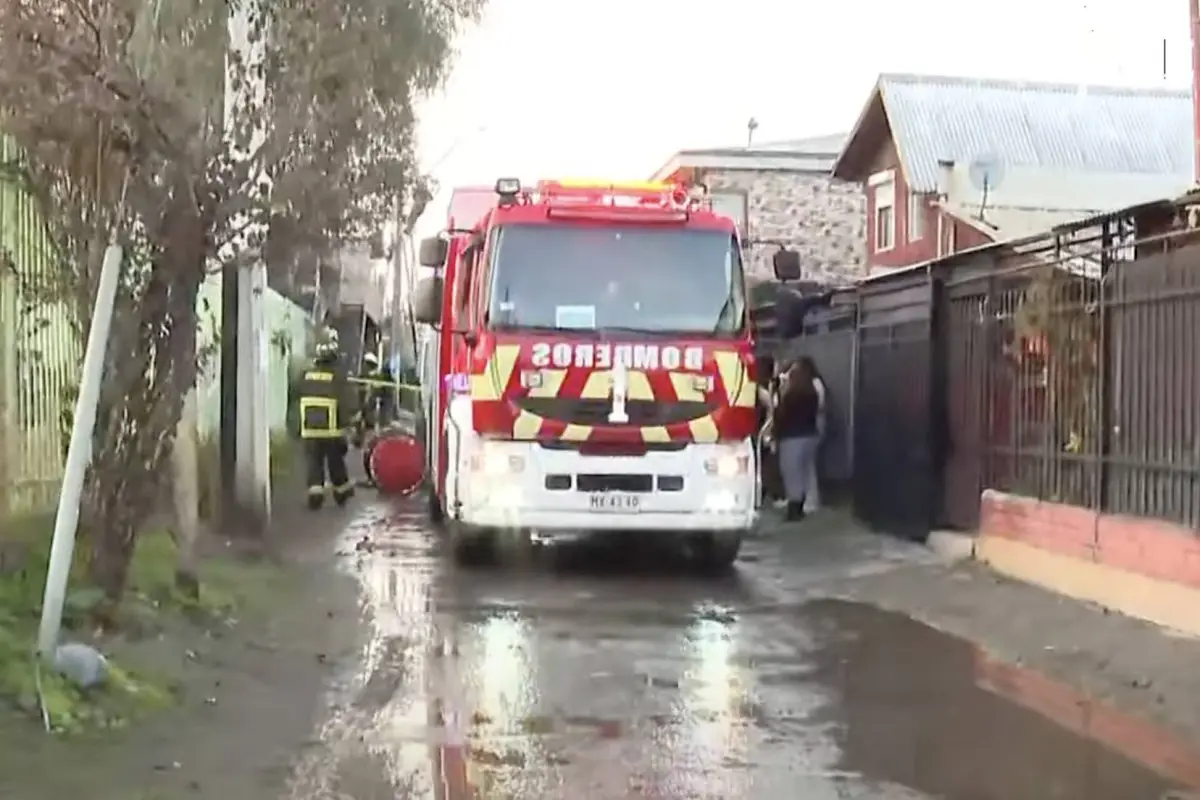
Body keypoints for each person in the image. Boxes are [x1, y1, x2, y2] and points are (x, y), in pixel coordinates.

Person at [297, 336, 356, 509]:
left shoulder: (305, 375)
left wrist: (296, 426)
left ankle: (315, 493)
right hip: (331, 431)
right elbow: (346, 402)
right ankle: (341, 492)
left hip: (310, 430)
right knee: (335, 462)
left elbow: (296, 397)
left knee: (314, 462)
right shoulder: (337, 377)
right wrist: (349, 424)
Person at [773, 357, 823, 521]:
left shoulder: (791, 396)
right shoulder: (812, 393)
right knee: (807, 470)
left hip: (792, 437)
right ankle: (806, 503)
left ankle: (795, 508)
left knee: (791, 472)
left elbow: (782, 416)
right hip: (809, 435)